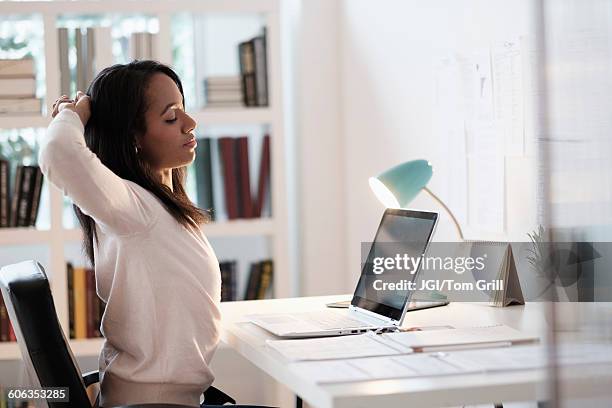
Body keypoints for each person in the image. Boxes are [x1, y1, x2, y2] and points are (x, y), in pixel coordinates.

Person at [40, 61, 233, 407]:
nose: (190, 124)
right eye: (171, 118)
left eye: (183, 112)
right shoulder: (134, 210)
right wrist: (74, 114)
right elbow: (58, 152)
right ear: (133, 137)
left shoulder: (152, 204)